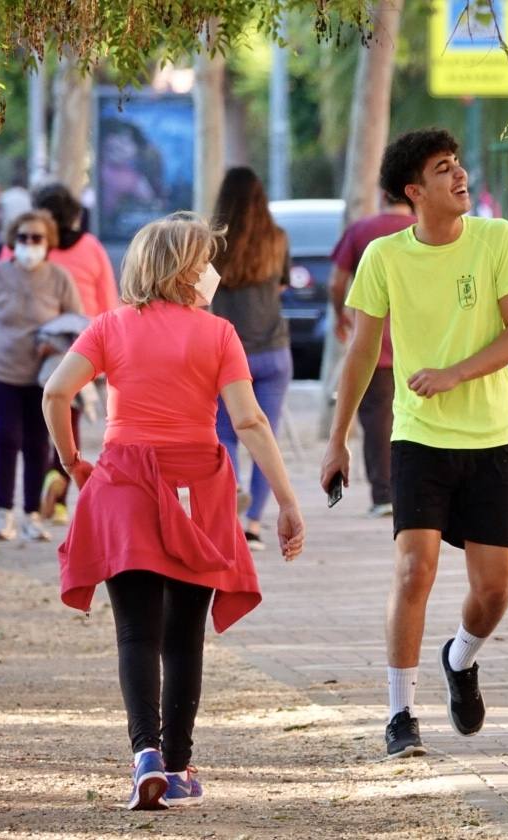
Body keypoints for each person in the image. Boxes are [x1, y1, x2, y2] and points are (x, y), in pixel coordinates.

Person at [42, 212, 305, 811]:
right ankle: (181, 766)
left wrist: (72, 460)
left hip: (123, 481)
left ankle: (145, 757)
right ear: (186, 272)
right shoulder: (218, 334)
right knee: (184, 637)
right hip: (197, 487)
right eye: (204, 260)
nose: (212, 271)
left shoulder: (110, 326)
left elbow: (56, 393)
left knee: (136, 630)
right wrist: (286, 501)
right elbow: (249, 421)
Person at [320, 128, 508, 758]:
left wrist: (455, 373)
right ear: (415, 191)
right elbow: (361, 351)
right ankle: (400, 713)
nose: (460, 176)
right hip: (417, 437)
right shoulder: (384, 257)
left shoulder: (498, 239)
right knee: (414, 568)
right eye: (444, 170)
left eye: (458, 164)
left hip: (491, 439)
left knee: (494, 590)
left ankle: (460, 657)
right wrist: (337, 440)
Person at [0, 210, 83, 542]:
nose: (29, 244)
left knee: (37, 443)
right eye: (23, 237)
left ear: (48, 242)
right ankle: (3, 513)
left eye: (37, 238)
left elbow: (78, 327)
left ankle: (31, 514)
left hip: (42, 378)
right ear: (13, 240)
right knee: (7, 436)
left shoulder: (60, 278)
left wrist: (56, 347)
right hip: (0, 371)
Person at [208, 167, 293, 552]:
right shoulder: (277, 239)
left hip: (226, 353)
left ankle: (232, 492)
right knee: (265, 436)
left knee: (225, 432)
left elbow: (201, 293)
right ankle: (255, 524)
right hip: (273, 349)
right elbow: (282, 286)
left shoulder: (210, 243)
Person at [31, 182, 119, 524]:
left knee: (39, 418)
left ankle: (41, 484)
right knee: (71, 415)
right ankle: (62, 488)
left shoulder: (34, 244)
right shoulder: (91, 246)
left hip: (38, 343)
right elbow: (108, 298)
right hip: (85, 343)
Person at [328, 193, 416, 518]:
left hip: (373, 345)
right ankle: (415, 491)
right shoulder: (426, 230)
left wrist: (341, 313)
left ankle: (383, 495)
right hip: (420, 346)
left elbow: (336, 282)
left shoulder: (361, 231)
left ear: (381, 195)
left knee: (377, 423)